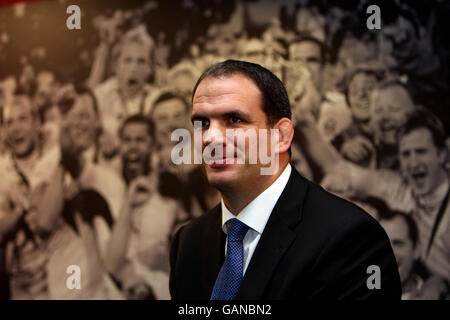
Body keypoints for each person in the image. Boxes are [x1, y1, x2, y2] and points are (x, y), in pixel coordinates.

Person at [169, 60, 401, 300]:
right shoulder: (188, 243)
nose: (211, 137)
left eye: (234, 120)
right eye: (202, 123)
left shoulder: (349, 238)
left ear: (280, 136)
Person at [105, 114, 185, 300]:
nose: (133, 147)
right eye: (127, 140)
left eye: (140, 140)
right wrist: (129, 203)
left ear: (152, 145)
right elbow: (111, 264)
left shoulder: (169, 189)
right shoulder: (110, 185)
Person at [397, 109, 450, 297]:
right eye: (406, 154)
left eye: (421, 152)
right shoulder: (401, 192)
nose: (413, 162)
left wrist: (438, 285)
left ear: (442, 154)